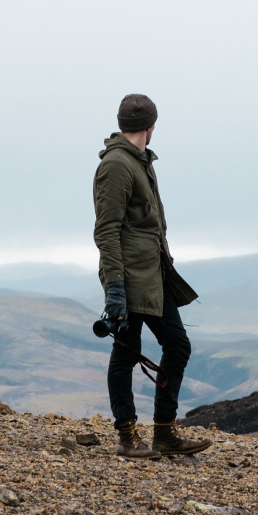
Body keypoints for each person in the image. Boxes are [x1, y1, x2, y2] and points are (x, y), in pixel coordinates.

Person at [92, 94, 213, 460]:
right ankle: (127, 437)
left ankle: (164, 432)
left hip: (154, 276)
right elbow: (106, 230)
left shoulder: (140, 161)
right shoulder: (116, 166)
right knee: (126, 354)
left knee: (177, 346)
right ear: (151, 126)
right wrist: (115, 286)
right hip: (129, 279)